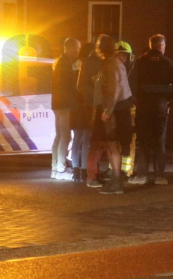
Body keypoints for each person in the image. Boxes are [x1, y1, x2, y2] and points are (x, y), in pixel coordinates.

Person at [128, 34, 173, 185]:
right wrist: (166, 99)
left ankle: (142, 175)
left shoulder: (140, 62)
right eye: (164, 45)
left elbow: (130, 83)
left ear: (151, 45)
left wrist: (136, 99)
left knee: (143, 140)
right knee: (159, 141)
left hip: (143, 107)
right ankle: (160, 175)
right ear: (161, 46)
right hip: (160, 107)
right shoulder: (167, 63)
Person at [86, 35, 132, 194]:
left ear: (101, 49)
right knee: (113, 147)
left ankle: (117, 182)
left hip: (114, 111)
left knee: (112, 146)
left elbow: (113, 89)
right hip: (119, 109)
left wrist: (107, 111)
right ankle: (116, 180)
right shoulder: (115, 63)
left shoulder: (110, 64)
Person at [51, 38, 82, 181]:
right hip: (65, 105)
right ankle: (61, 170)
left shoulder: (59, 62)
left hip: (58, 104)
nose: (78, 51)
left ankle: (55, 168)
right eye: (77, 48)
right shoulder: (65, 64)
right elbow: (70, 85)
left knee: (59, 136)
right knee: (65, 136)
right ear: (70, 48)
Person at [75, 41, 101, 182]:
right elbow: (82, 86)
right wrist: (95, 99)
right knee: (93, 140)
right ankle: (91, 173)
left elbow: (81, 86)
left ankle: (91, 172)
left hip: (92, 104)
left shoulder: (90, 63)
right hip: (93, 105)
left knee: (93, 139)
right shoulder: (94, 63)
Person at [114, 41, 136, 177]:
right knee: (114, 139)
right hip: (116, 108)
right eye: (119, 55)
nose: (122, 58)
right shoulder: (111, 69)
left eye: (124, 56)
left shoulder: (133, 70)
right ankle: (114, 168)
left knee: (129, 140)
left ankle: (126, 169)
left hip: (130, 109)